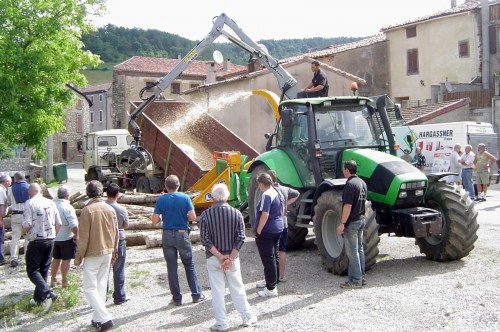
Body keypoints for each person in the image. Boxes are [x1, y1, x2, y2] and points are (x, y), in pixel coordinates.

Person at [199, 183, 257, 332]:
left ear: (213, 197)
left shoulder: (206, 215)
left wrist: (219, 256)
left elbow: (205, 240)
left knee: (217, 292)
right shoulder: (236, 213)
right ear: (227, 196)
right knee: (237, 288)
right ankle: (246, 317)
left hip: (213, 258)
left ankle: (221, 323)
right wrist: (229, 258)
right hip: (232, 257)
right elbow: (241, 237)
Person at [152, 175, 206, 306]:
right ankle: (196, 294)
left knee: (171, 267)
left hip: (167, 235)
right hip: (182, 234)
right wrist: (183, 217)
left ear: (165, 187)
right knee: (189, 264)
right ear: (178, 185)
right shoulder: (185, 198)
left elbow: (154, 221)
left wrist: (163, 218)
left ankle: (176, 298)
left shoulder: (161, 200)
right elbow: (192, 216)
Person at [74, 180, 118, 332]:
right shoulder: (109, 208)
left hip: (93, 252)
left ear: (88, 193)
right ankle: (97, 317)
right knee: (101, 285)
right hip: (107, 251)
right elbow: (116, 232)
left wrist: (79, 256)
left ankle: (105, 318)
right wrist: (115, 251)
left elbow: (84, 236)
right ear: (102, 192)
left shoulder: (88, 210)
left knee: (89, 288)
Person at [23, 183, 61, 313]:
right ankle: (39, 299)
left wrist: (24, 233)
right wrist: (54, 235)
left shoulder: (29, 203)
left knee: (32, 270)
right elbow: (58, 223)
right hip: (50, 239)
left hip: (36, 240)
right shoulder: (51, 202)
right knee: (44, 269)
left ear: (30, 192)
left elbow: (27, 224)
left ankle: (48, 293)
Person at [336, 160, 367, 289]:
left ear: (347, 170)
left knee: (352, 252)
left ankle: (355, 280)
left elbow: (348, 205)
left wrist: (342, 223)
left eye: (344, 169)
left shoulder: (350, 184)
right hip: (361, 219)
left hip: (352, 222)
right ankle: (362, 277)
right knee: (359, 249)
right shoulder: (362, 183)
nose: (343, 171)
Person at [254, 172, 284, 297]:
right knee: (274, 256)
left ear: (261, 183)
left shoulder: (266, 195)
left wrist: (259, 229)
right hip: (278, 226)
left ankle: (271, 288)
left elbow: (265, 214)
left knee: (268, 259)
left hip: (268, 229)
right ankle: (273, 280)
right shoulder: (277, 192)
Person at [266, 170, 299, 282]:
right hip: (283, 224)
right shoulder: (284, 189)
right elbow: (297, 194)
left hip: (272, 226)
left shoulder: (268, 192)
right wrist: (286, 204)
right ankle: (282, 275)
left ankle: (272, 277)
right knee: (282, 249)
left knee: (271, 251)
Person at [105, 183, 130, 305]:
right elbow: (126, 225)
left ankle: (103, 295)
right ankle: (119, 296)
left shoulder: (101, 207)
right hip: (119, 239)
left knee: (104, 269)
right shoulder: (121, 209)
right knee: (118, 269)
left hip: (104, 240)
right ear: (117, 195)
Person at [51, 186, 79, 288]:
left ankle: (53, 279)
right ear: (67, 196)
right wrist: (76, 235)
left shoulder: (52, 205)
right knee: (66, 260)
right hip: (66, 237)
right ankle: (64, 280)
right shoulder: (67, 207)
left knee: (56, 259)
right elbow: (73, 224)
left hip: (54, 237)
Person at [7, 172, 29, 268]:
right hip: (26, 215)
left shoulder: (10, 189)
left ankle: (13, 258)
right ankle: (27, 258)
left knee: (15, 237)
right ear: (24, 178)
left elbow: (9, 201)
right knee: (28, 237)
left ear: (15, 179)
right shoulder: (29, 187)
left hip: (16, 214)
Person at [0, 175, 12, 266]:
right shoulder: (1, 190)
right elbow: (0, 206)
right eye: (10, 182)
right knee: (0, 239)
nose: (11, 183)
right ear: (6, 182)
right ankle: (0, 259)